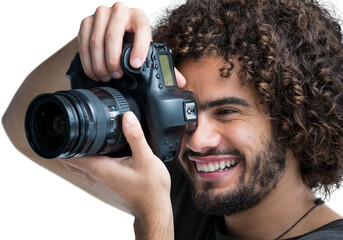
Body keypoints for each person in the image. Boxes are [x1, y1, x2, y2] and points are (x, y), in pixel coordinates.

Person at [3, 0, 343, 239]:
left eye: (226, 111)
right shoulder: (196, 197)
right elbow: (20, 124)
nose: (196, 140)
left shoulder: (168, 206)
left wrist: (154, 218)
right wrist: (103, 44)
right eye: (186, 110)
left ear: (298, 122)